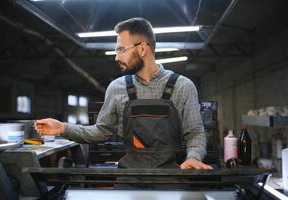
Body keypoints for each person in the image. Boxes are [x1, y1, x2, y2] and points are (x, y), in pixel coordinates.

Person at [35, 17, 212, 171]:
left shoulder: (183, 86)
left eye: (121, 50)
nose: (116, 57)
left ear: (143, 49)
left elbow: (195, 132)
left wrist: (193, 157)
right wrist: (63, 128)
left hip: (170, 175)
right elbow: (101, 131)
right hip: (129, 175)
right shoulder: (116, 88)